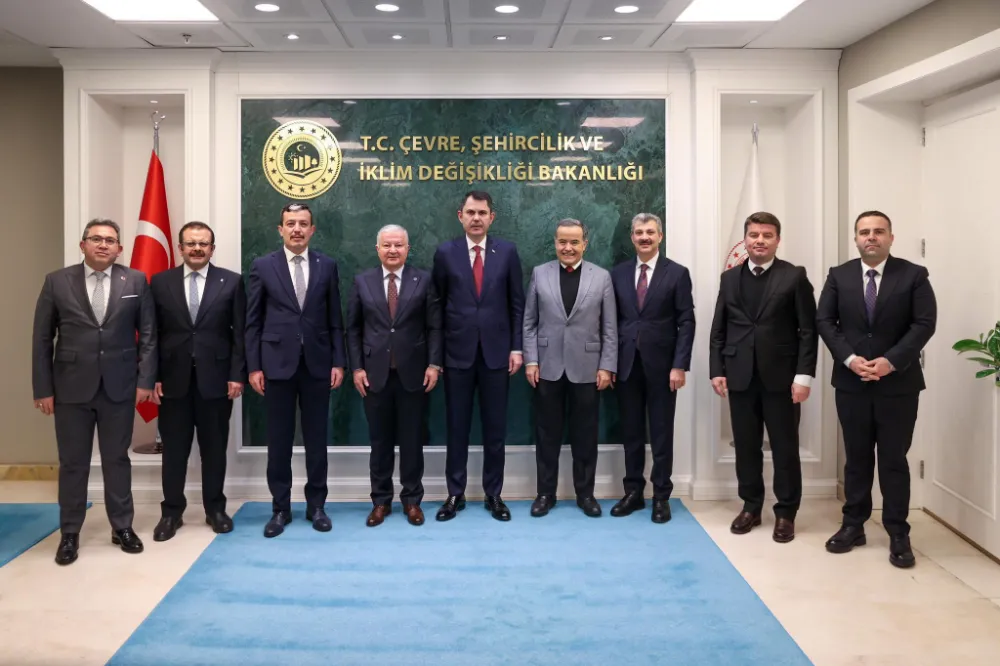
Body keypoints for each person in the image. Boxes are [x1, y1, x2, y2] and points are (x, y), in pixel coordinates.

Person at [32, 218, 156, 565]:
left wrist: (145, 381)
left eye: (110, 240)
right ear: (83, 244)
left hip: (120, 386)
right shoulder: (57, 281)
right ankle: (70, 532)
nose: (103, 245)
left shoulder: (136, 281)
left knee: (117, 459)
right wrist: (43, 388)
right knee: (73, 463)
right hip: (70, 388)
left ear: (120, 248)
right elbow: (42, 339)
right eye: (96, 239)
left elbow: (148, 336)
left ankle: (122, 527)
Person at [817, 210, 936, 568]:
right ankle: (853, 524)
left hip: (898, 385)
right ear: (856, 238)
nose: (871, 237)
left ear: (890, 237)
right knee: (856, 458)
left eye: (878, 231)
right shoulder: (839, 276)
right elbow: (825, 320)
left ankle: (898, 532)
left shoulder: (913, 275)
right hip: (851, 382)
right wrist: (850, 359)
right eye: (864, 231)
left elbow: (924, 323)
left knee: (893, 460)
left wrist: (890, 361)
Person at [709, 211, 817, 543]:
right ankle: (751, 506)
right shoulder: (729, 279)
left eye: (767, 235)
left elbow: (808, 331)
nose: (760, 241)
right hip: (740, 376)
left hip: (782, 380)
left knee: (785, 448)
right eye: (754, 235)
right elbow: (719, 329)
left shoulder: (794, 276)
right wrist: (717, 370)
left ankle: (786, 512)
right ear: (745, 240)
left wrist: (804, 376)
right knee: (746, 447)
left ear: (777, 240)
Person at [246, 202, 346, 538]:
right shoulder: (263, 266)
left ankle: (317, 506)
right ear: (281, 229)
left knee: (317, 440)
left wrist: (338, 361)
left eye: (303, 223)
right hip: (276, 365)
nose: (297, 229)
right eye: (291, 223)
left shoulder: (327, 265)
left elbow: (335, 319)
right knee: (279, 442)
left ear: (312, 230)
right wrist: (254, 366)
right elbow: (253, 321)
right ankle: (281, 509)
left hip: (318, 365)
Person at [149, 221, 246, 541]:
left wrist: (236, 374)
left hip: (216, 381)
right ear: (180, 248)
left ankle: (215, 509)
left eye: (203, 244)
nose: (197, 249)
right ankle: (171, 513)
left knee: (214, 450)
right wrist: (153, 376)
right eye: (191, 243)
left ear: (212, 249)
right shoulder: (160, 282)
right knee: (174, 451)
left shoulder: (231, 282)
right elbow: (152, 334)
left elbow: (239, 334)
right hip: (172, 381)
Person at [432, 191, 524, 522]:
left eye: (482, 213)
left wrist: (517, 347)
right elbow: (436, 307)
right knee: (456, 427)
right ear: (460, 216)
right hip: (456, 354)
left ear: (491, 217)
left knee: (495, 429)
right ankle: (454, 494)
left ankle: (493, 494)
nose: (476, 218)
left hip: (497, 355)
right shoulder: (446, 252)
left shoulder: (507, 252)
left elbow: (517, 304)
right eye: (470, 212)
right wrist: (436, 355)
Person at [347, 225, 442, 527]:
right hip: (374, 376)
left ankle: (412, 501)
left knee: (412, 440)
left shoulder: (423, 280)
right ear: (377, 249)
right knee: (380, 442)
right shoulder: (362, 281)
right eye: (387, 245)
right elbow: (353, 329)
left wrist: (434, 364)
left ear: (407, 249)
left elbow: (434, 327)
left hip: (414, 374)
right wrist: (357, 368)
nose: (392, 250)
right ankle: (380, 501)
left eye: (398, 245)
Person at [523, 218, 617, 518]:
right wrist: (531, 360)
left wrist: (607, 366)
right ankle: (545, 494)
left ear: (584, 244)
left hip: (588, 368)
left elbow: (609, 328)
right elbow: (529, 323)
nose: (568, 247)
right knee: (546, 434)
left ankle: (585, 494)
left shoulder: (601, 277)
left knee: (585, 435)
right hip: (547, 367)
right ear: (555, 243)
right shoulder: (540, 273)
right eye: (562, 241)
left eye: (574, 242)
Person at [610, 213, 695, 524]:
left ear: (660, 236)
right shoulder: (617, 274)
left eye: (650, 232)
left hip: (663, 368)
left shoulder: (677, 273)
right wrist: (609, 363)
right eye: (638, 232)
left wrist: (679, 365)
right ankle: (633, 492)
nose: (644, 237)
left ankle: (661, 496)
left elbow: (686, 322)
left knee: (661, 433)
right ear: (632, 237)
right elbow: (610, 322)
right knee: (631, 433)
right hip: (626, 365)